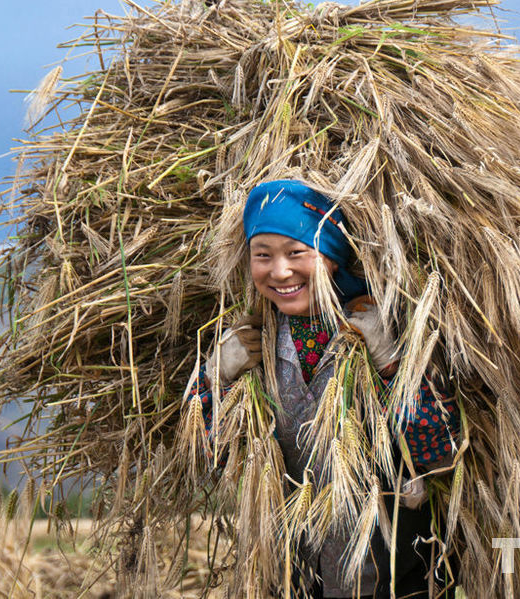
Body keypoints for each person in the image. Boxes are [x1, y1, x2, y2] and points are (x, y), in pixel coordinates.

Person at [190, 180, 461, 598]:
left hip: (393, 571)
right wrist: (216, 377)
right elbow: (206, 455)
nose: (280, 271)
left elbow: (441, 453)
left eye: (297, 252)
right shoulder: (252, 341)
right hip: (291, 571)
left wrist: (391, 363)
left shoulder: (384, 325)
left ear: (332, 257)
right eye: (262, 255)